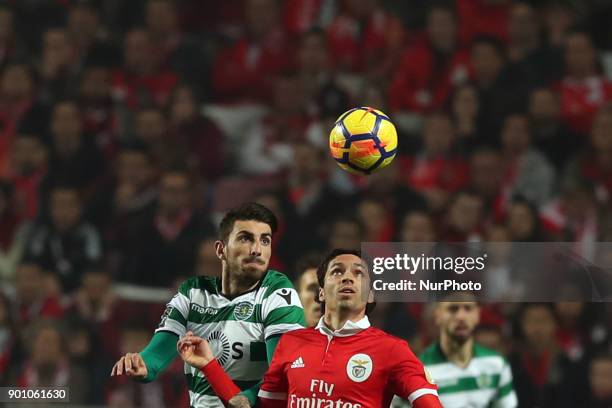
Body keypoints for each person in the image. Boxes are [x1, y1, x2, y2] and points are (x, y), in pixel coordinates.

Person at [177, 249, 442, 408]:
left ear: (371, 295)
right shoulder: (291, 344)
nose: (348, 277)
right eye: (337, 272)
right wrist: (210, 365)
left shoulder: (392, 350)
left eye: (358, 273)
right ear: (321, 293)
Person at [110, 203, 305, 407]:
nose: (257, 249)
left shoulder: (277, 292)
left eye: (265, 241)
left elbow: (283, 374)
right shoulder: (193, 292)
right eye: (245, 238)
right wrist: (142, 365)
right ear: (221, 250)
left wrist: (247, 397)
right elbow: (158, 352)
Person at [393, 294, 517, 407]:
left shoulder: (496, 364)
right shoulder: (418, 371)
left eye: (468, 309)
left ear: (478, 315)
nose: (461, 317)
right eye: (453, 309)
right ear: (437, 315)